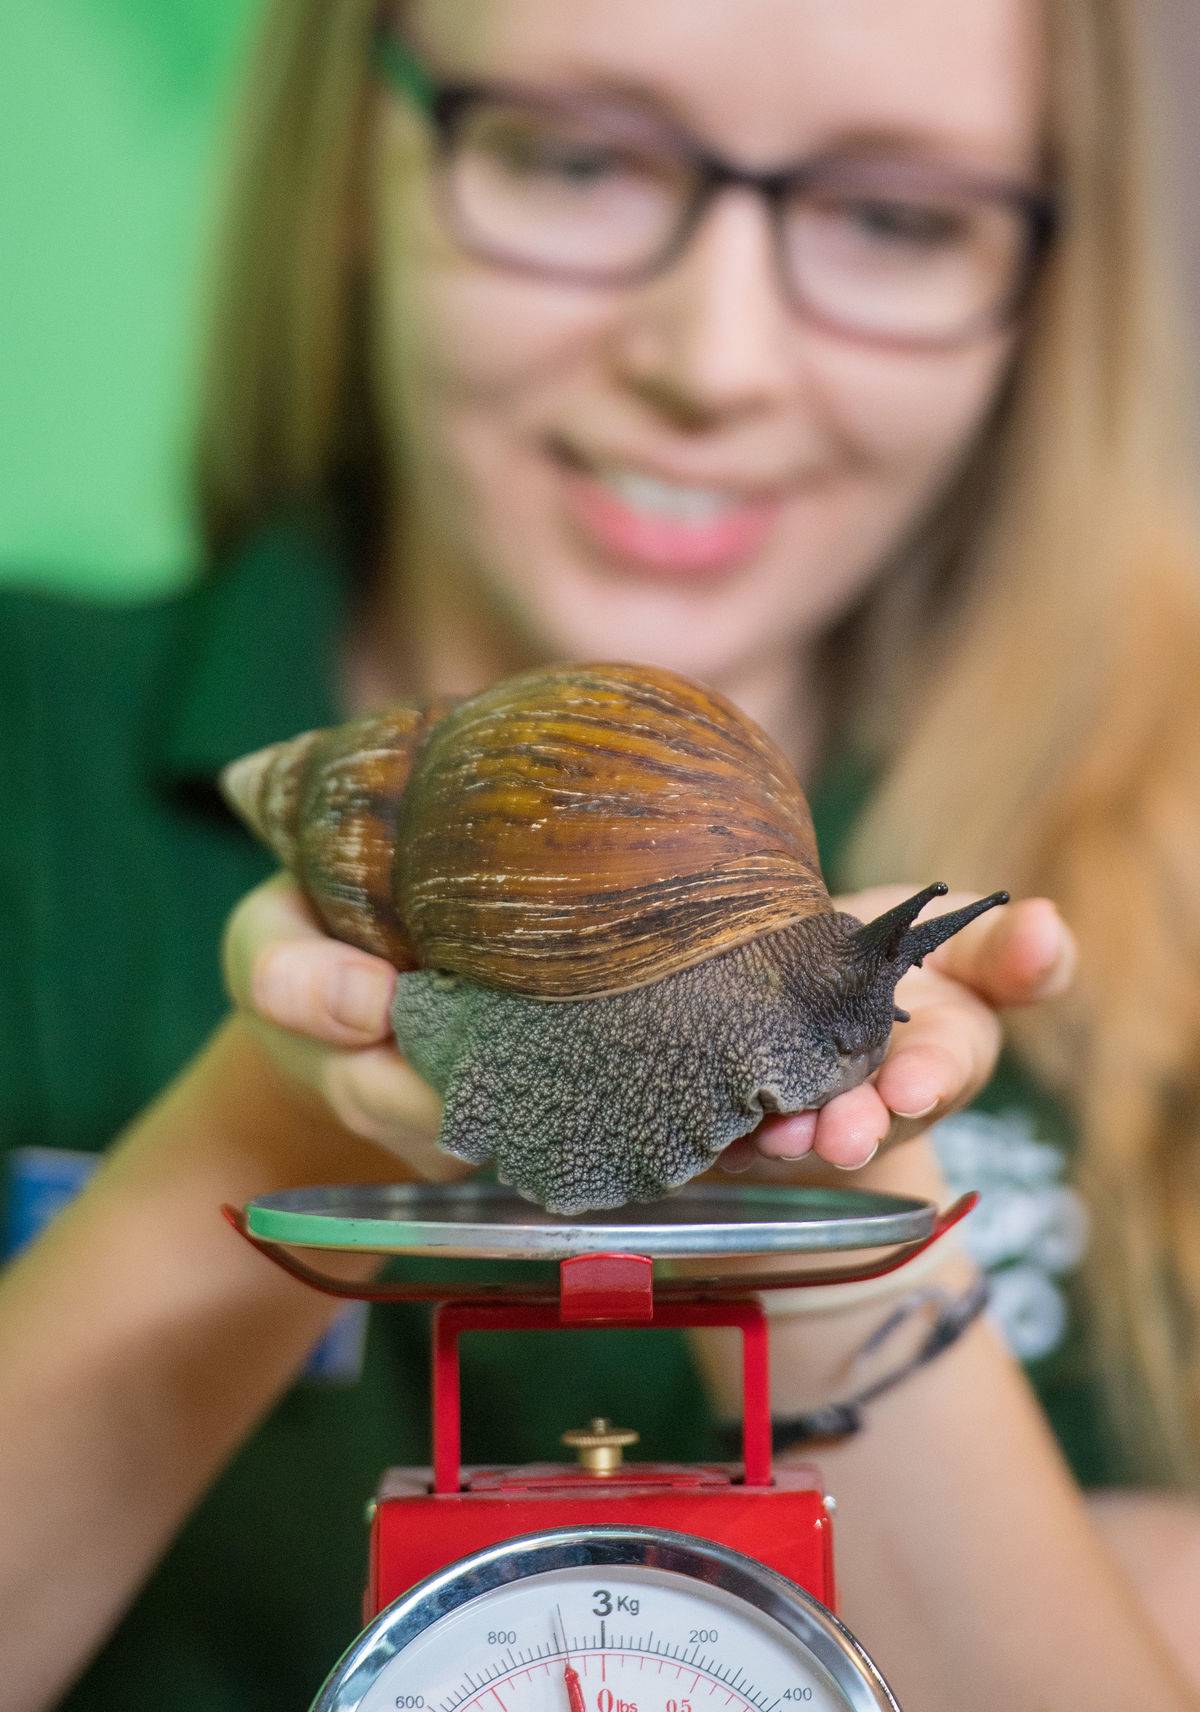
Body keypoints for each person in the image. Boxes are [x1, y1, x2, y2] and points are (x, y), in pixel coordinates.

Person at [2, 0, 1200, 1707]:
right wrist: (277, 1116)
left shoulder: (1172, 895)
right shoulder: (29, 769)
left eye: (897, 218)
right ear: (357, 150)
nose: (713, 361)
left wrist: (834, 1203)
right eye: (574, 159)